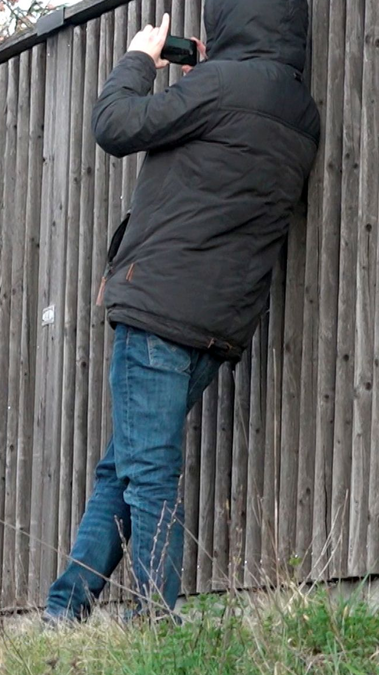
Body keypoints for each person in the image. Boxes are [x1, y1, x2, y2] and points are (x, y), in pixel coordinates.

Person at [45, 0, 320, 622]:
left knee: (149, 478)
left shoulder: (222, 86)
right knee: (126, 466)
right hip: (217, 324)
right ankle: (64, 610)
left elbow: (115, 125)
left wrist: (140, 58)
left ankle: (154, 626)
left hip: (158, 311)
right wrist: (211, 67)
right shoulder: (299, 111)